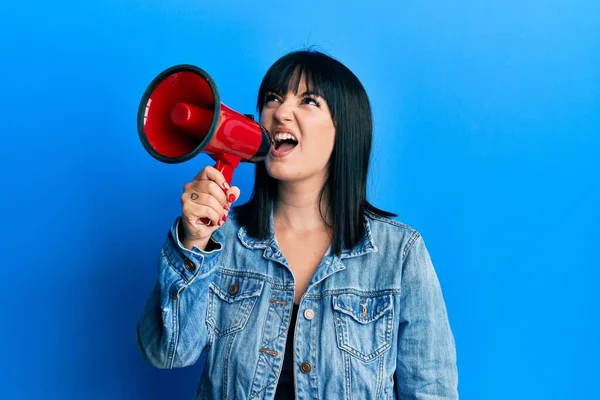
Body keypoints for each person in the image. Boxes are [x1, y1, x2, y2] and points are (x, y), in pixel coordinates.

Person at [136, 49, 459, 399]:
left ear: (345, 128)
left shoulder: (398, 254)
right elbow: (166, 353)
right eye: (273, 99)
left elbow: (431, 391)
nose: (281, 112)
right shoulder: (221, 241)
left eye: (308, 101)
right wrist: (193, 242)